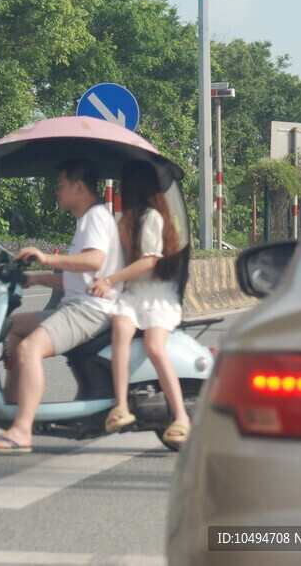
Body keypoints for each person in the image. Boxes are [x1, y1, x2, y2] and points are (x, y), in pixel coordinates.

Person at [0, 159, 125, 453]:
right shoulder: (88, 220)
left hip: (91, 309)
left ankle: (22, 431)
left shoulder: (95, 217)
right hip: (79, 303)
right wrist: (37, 279)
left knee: (29, 349)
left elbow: (94, 261)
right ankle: (12, 407)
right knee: (14, 328)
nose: (57, 192)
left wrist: (45, 258)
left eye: (60, 186)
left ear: (79, 187)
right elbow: (78, 278)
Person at [88, 160, 189, 449]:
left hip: (157, 293)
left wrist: (109, 279)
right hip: (132, 294)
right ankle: (121, 406)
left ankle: (181, 417)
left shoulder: (153, 218)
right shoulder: (128, 218)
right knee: (120, 331)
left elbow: (149, 261)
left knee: (155, 347)